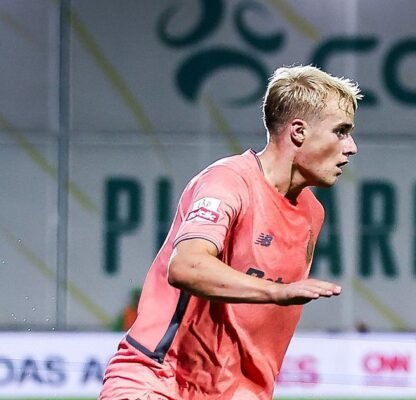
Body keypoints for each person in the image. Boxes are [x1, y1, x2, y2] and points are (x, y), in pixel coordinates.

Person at [99, 65, 361, 400]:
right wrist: (277, 291)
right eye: (340, 131)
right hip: (161, 379)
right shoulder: (228, 182)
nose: (351, 147)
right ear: (298, 132)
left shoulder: (313, 212)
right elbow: (187, 266)